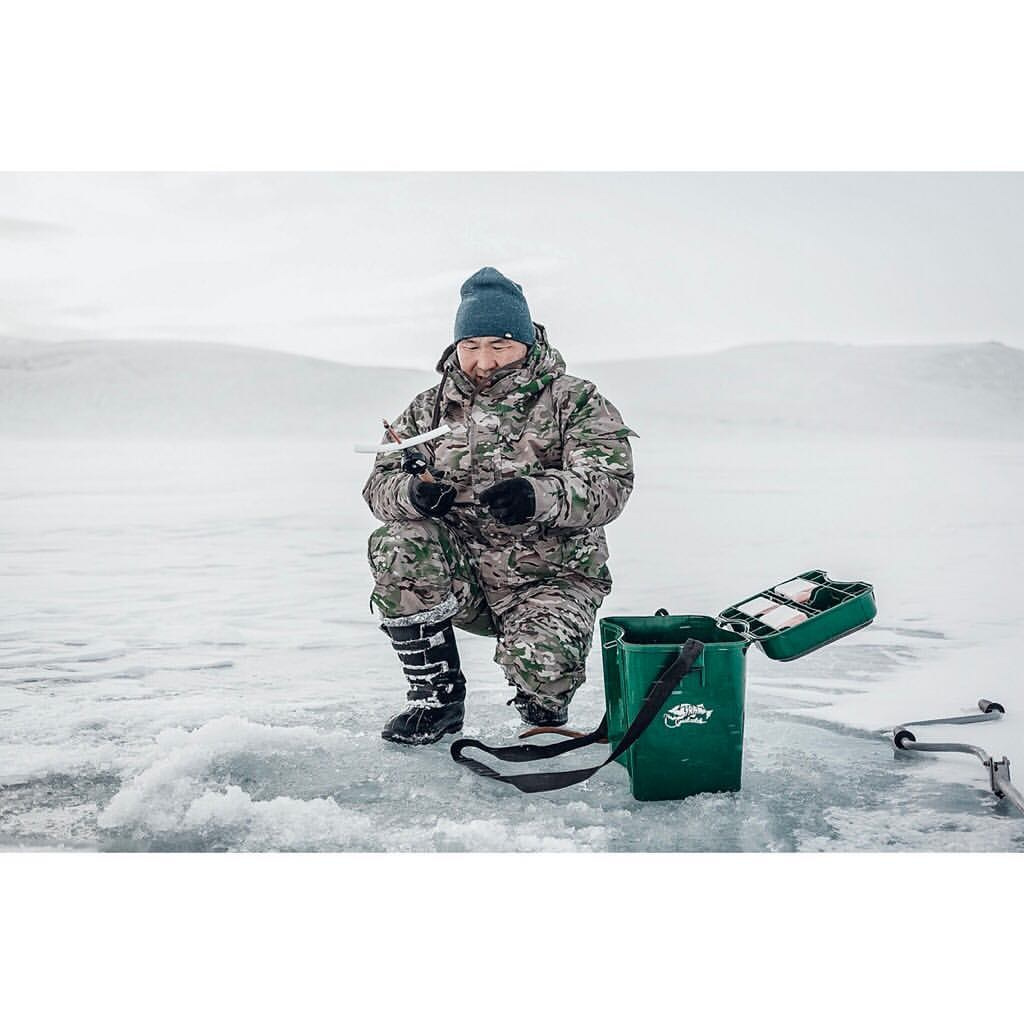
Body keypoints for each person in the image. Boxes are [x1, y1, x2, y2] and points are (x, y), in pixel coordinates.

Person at [362, 267, 637, 745]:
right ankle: (436, 699)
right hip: (462, 575)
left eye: (499, 345)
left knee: (543, 675)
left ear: (526, 343)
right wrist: (412, 495)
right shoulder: (428, 409)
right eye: (470, 346)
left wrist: (538, 495)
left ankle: (540, 700)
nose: (483, 361)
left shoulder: (573, 400)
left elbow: (610, 484)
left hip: (550, 577)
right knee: (399, 541)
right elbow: (378, 486)